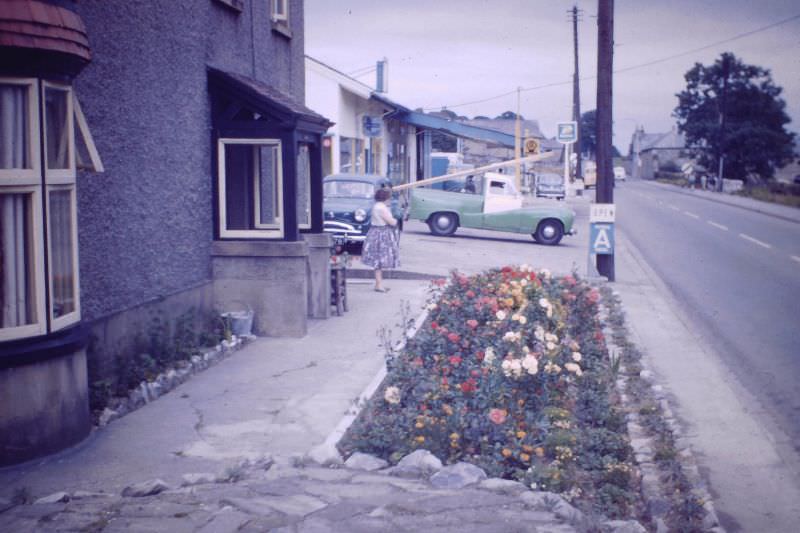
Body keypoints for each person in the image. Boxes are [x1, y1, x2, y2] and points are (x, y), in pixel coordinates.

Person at [360, 187, 400, 292]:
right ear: (385, 198)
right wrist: (397, 218)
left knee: (378, 261)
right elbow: (392, 222)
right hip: (382, 234)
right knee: (380, 260)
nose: (390, 199)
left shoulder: (377, 206)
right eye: (389, 197)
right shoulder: (382, 208)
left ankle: (379, 283)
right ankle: (378, 285)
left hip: (375, 232)